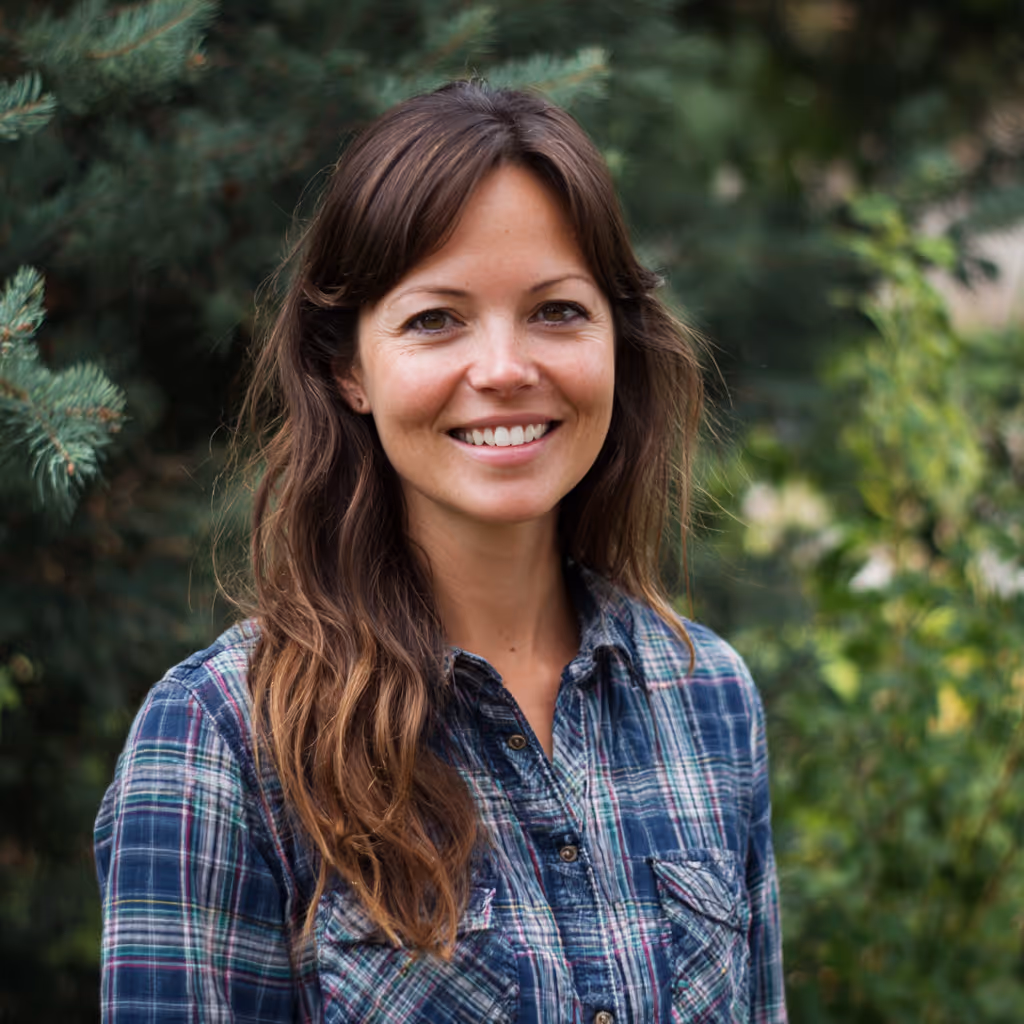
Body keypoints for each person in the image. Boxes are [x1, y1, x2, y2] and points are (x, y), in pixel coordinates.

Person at [95, 81, 787, 1023]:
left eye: (556, 311)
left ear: (616, 340)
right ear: (348, 368)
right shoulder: (221, 742)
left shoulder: (707, 698)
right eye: (436, 319)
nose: (504, 369)